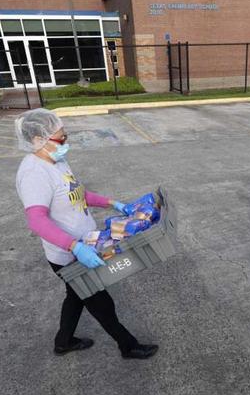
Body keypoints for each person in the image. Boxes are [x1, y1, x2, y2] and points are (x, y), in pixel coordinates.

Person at [14, 108, 158, 359]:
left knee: (75, 296)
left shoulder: (56, 160)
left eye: (65, 136)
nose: (65, 142)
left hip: (86, 244)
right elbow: (36, 221)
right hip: (69, 254)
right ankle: (128, 346)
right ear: (38, 140)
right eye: (61, 138)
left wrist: (113, 203)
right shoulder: (34, 173)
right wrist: (75, 247)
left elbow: (78, 193)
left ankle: (63, 342)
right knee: (101, 303)